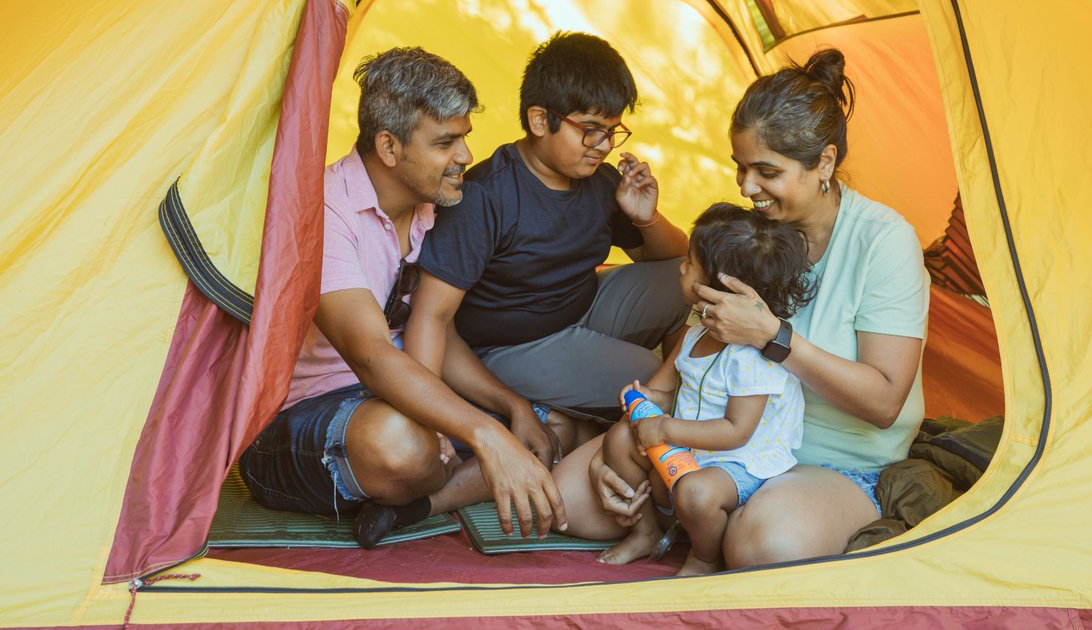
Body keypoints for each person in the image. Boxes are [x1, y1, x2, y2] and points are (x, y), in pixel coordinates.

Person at [553, 48, 929, 567]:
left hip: (830, 460)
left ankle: (718, 521)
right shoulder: (752, 235)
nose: (747, 187)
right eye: (741, 167)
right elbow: (692, 354)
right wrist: (629, 444)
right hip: (712, 443)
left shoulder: (884, 242)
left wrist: (772, 336)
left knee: (764, 546)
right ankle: (695, 513)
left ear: (824, 162)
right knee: (565, 505)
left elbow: (885, 402)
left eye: (766, 172)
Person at [238, 47, 569, 549]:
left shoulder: (427, 208)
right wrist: (484, 434)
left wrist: (512, 408)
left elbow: (438, 330)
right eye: (445, 143)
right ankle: (439, 476)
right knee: (403, 445)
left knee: (553, 430)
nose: (465, 157)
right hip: (304, 422)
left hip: (395, 397)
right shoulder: (323, 212)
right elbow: (372, 355)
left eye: (464, 139)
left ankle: (416, 504)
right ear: (389, 148)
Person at [407, 31, 691, 421]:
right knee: (655, 382)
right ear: (540, 120)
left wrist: (647, 219)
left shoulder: (602, 182)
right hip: (511, 349)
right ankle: (661, 421)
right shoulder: (485, 196)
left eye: (612, 131)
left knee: (689, 279)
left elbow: (680, 257)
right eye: (590, 129)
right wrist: (428, 417)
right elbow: (431, 315)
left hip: (583, 308)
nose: (604, 145)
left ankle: (647, 401)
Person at [596, 202, 815, 575]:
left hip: (739, 461)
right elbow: (665, 390)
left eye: (690, 264)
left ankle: (704, 557)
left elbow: (736, 431)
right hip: (693, 446)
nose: (681, 267)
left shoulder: (752, 357)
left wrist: (663, 428)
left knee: (696, 493)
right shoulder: (697, 331)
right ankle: (645, 531)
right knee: (617, 439)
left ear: (720, 287)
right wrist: (646, 400)